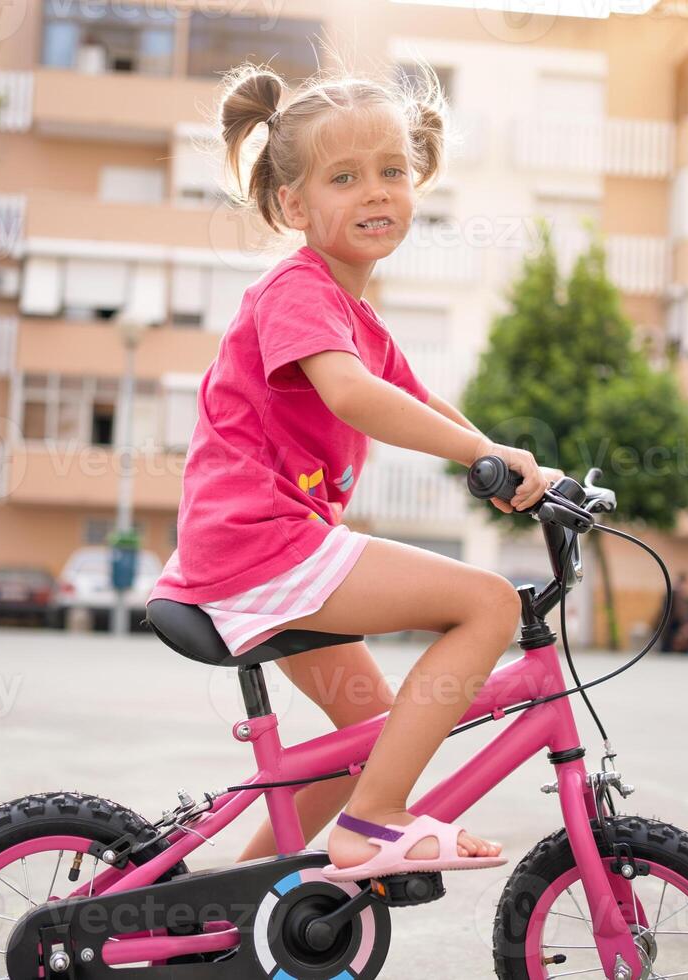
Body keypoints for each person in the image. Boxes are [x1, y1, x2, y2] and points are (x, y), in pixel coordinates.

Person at [147, 62, 564, 882]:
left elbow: (421, 399)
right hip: (262, 548)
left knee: (363, 742)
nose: (375, 193)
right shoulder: (299, 293)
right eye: (345, 178)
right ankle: (376, 824)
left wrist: (515, 464)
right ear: (294, 205)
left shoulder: (351, 312)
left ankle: (232, 916)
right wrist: (478, 457)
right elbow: (354, 396)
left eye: (391, 172)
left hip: (264, 551)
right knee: (486, 602)